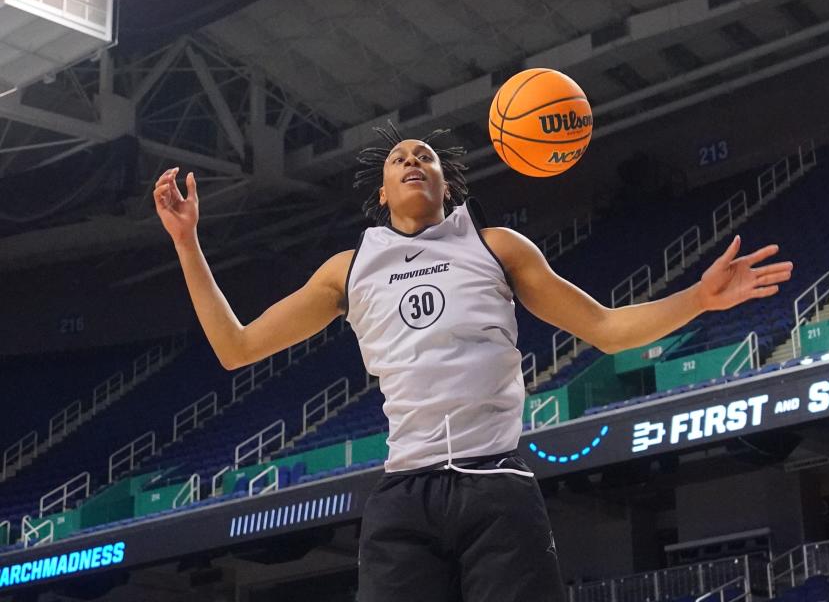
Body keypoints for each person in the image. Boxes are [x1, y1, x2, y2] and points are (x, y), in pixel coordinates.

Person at [153, 124, 794, 602]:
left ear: (447, 185)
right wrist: (187, 242)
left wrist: (701, 298)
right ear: (381, 192)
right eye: (400, 157)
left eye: (425, 156)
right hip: (405, 493)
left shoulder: (495, 247)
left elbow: (607, 328)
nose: (412, 159)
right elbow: (236, 348)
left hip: (498, 485)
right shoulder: (348, 271)